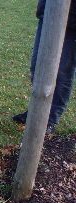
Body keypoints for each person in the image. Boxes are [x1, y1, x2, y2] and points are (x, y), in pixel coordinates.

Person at [12, 0, 76, 135]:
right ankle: (37, 111)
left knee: (63, 73)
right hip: (48, 16)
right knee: (37, 67)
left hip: (72, 24)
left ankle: (51, 120)